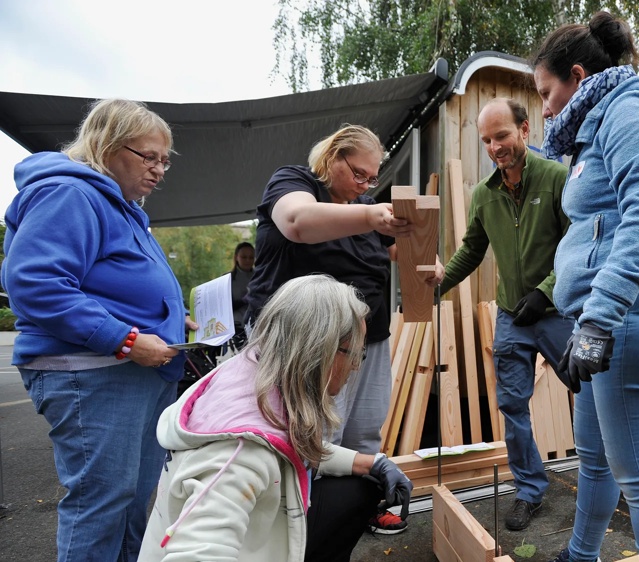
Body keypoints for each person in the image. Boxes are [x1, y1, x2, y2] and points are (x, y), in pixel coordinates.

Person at [1, 98, 194, 562]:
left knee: (130, 502)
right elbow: (34, 282)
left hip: (131, 371)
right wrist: (125, 339)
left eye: (164, 160)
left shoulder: (120, 206)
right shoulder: (71, 192)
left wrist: (171, 318)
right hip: (93, 370)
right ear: (106, 145)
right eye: (149, 156)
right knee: (102, 505)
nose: (159, 169)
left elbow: (114, 285)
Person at [532, 11, 639, 562]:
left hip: (630, 314)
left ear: (577, 76)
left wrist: (599, 318)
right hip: (606, 319)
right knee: (595, 462)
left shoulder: (629, 110)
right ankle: (580, 556)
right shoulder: (592, 129)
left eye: (547, 91)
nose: (545, 106)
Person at [138, 275, 412, 562]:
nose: (356, 365)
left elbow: (286, 446)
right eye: (354, 352)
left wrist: (370, 462)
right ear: (319, 349)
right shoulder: (239, 452)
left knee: (360, 487)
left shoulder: (253, 374)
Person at [243, 124, 431, 535]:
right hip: (307, 342)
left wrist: (426, 268)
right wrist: (370, 214)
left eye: (372, 178)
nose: (366, 185)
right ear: (332, 158)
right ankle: (302, 519)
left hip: (368, 339)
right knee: (314, 433)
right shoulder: (294, 183)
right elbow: (297, 222)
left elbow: (402, 253)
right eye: (359, 173)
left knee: (364, 430)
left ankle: (359, 507)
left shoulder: (363, 204)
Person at [434, 97, 574, 532]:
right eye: (487, 140)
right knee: (513, 404)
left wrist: (548, 289)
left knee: (593, 394)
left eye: (502, 136)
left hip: (557, 311)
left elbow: (578, 247)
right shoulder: (484, 194)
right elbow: (472, 251)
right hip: (513, 316)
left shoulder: (557, 178)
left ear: (525, 130)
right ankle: (530, 490)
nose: (495, 147)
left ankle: (613, 477)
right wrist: (438, 286)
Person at [228, 241, 255, 351]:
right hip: (235, 328)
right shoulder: (227, 279)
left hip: (256, 327)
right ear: (236, 257)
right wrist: (244, 300)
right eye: (244, 257)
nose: (248, 260)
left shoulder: (261, 277)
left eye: (251, 257)